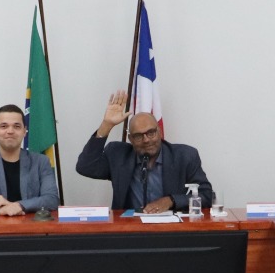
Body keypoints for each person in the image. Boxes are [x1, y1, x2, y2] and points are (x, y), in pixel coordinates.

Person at [77, 90, 214, 212]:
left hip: (171, 229)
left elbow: (206, 195)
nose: (146, 140)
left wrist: (171, 200)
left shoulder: (185, 156)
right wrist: (106, 125)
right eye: (138, 136)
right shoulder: (118, 155)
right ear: (130, 139)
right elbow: (86, 167)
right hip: (129, 228)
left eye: (151, 133)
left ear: (159, 132)